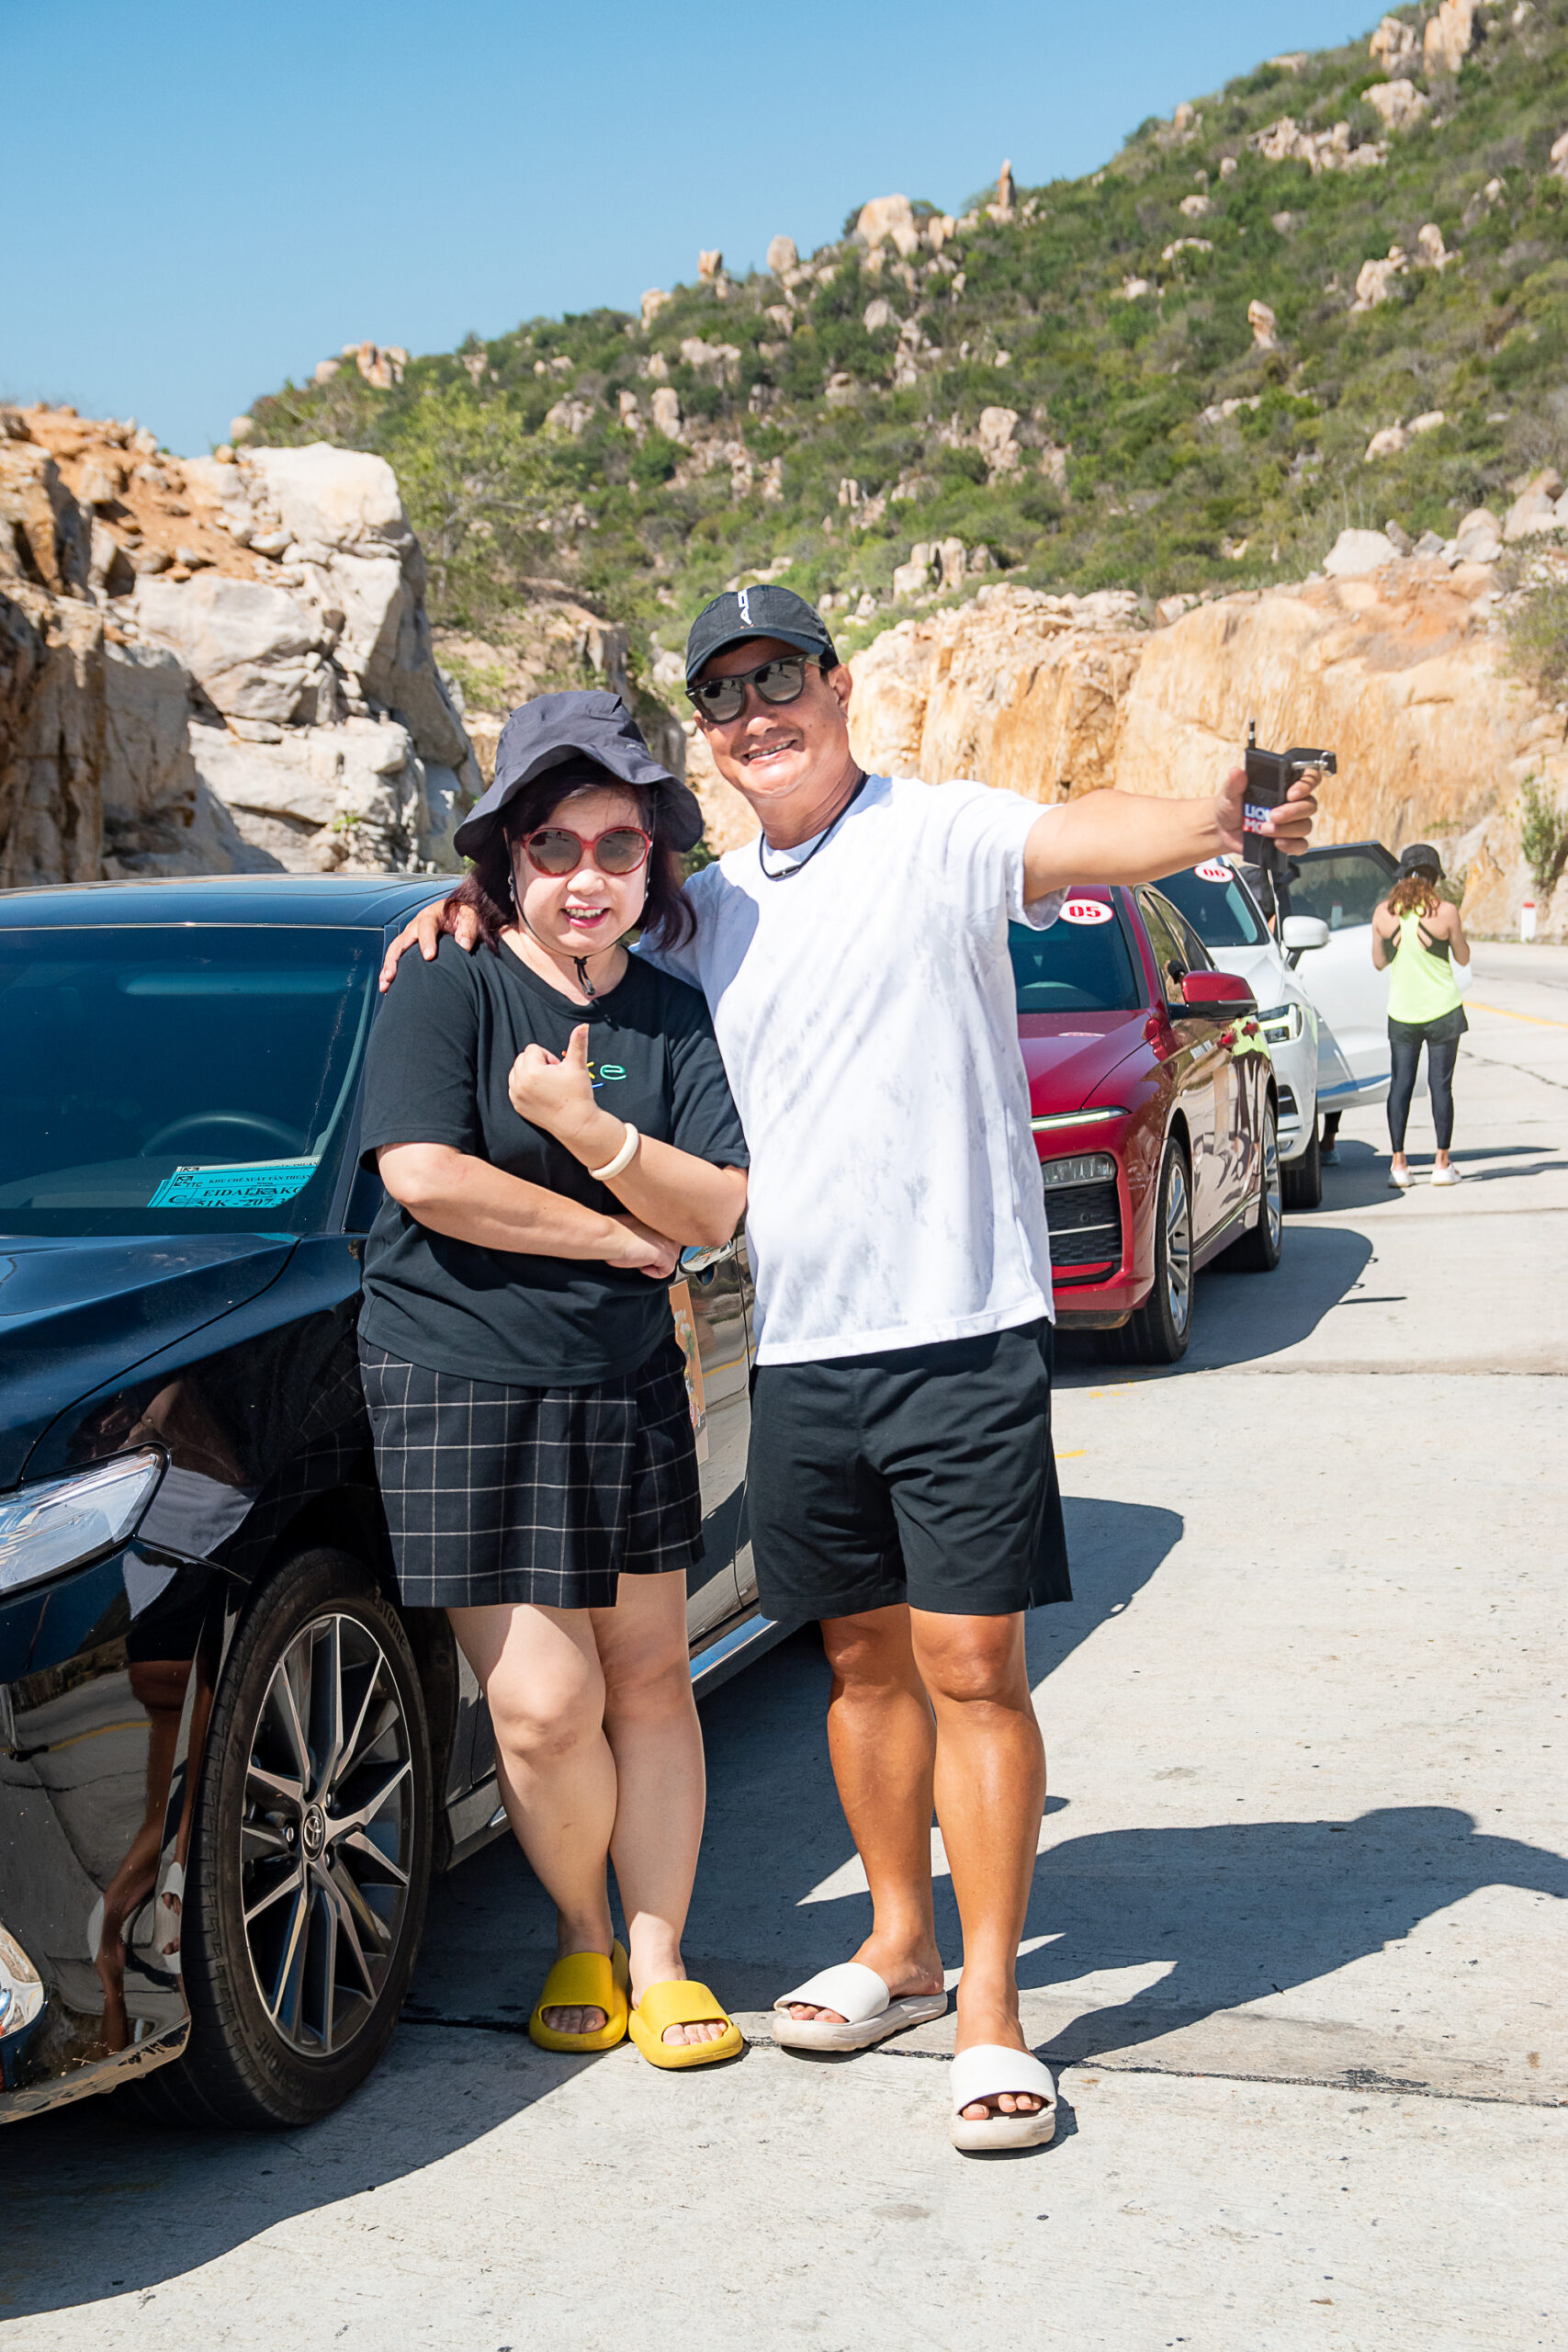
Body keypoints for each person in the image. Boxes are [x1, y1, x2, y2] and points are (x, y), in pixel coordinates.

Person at [381, 588, 1320, 2149]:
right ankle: (896, 1945)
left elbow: (1083, 835)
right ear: (706, 731)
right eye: (723, 691)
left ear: (835, 686)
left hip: (957, 1327)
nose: (756, 711)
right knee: (860, 1669)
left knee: (973, 1669)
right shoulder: (701, 908)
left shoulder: (934, 834)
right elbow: (563, 908)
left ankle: (992, 2011)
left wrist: (1209, 819)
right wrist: (459, 904)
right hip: (804, 1341)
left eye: (780, 678)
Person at [359, 692, 750, 2069]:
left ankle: (658, 1955)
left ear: (652, 861)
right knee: (539, 1705)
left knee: (649, 1678)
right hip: (458, 1379)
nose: (589, 876)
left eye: (618, 846)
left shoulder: (670, 1012)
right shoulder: (445, 980)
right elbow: (425, 1176)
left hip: (624, 1380)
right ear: (506, 857)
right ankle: (580, 1927)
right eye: (556, 846)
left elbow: (717, 1206)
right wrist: (616, 1234)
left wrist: (588, 1131)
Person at [1372, 842, 1470, 1189]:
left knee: (1401, 1085)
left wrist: (1398, 941)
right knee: (1440, 1086)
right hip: (1443, 1011)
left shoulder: (1384, 913)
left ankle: (1399, 1165)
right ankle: (1442, 1164)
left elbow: (1379, 962)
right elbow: (1463, 957)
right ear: (1433, 878)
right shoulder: (1447, 912)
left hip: (1403, 1013)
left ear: (1402, 877)